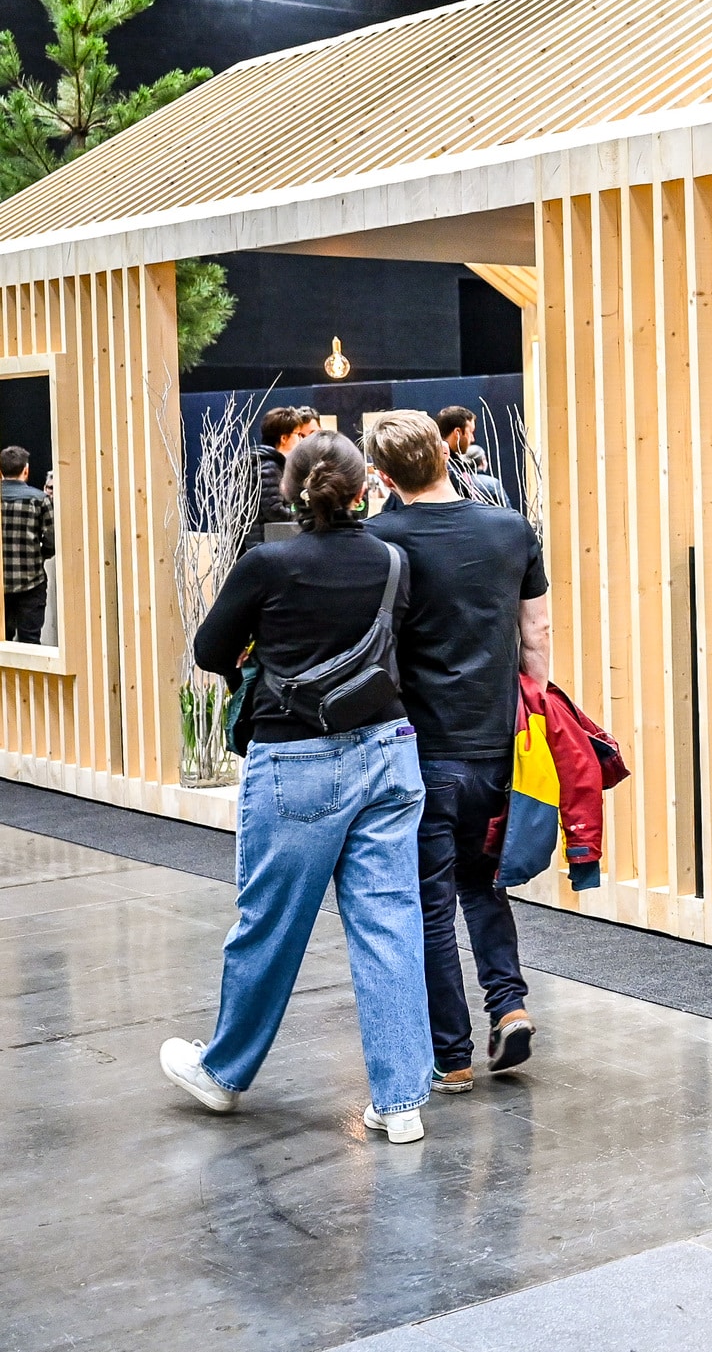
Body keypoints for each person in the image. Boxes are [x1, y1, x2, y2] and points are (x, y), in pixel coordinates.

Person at [162, 430, 435, 1142]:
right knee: (391, 923)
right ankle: (401, 1099)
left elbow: (209, 649)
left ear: (291, 487)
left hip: (295, 761)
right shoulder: (394, 562)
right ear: (362, 487)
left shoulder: (266, 564)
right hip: (389, 751)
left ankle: (223, 1073)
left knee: (271, 925)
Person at [368, 410, 551, 1092]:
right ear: (447, 456)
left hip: (422, 750)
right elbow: (537, 638)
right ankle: (510, 1002)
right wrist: (531, 716)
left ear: (385, 476)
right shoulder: (510, 530)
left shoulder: (379, 540)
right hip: (499, 742)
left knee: (430, 903)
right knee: (483, 882)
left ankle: (454, 1055)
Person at [239, 405, 317, 554]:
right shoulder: (270, 466)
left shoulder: (264, 462)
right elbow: (274, 510)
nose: (301, 440)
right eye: (298, 434)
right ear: (284, 438)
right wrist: (304, 516)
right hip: (265, 544)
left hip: (261, 543)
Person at [1, 446, 55, 644]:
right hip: (31, 582)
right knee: (30, 643)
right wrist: (40, 555)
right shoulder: (39, 500)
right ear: (26, 470)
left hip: (1, 586)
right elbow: (51, 540)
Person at [437, 406, 507, 507]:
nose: (473, 439)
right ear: (458, 432)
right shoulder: (448, 469)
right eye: (471, 432)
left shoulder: (443, 463)